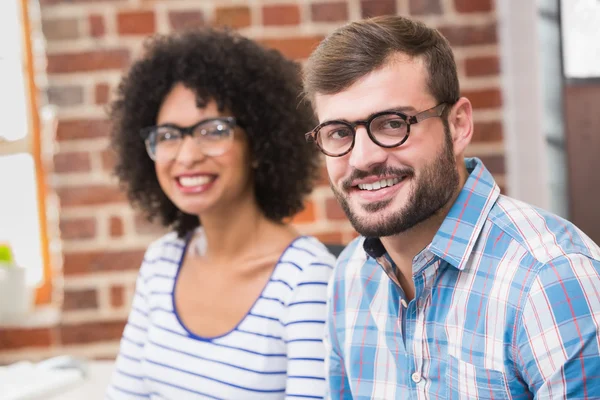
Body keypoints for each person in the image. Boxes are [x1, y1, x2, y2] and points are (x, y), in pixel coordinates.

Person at [303, 15, 600, 399]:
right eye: (339, 133)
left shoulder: (550, 277)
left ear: (458, 125)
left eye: (393, 124)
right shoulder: (350, 276)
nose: (362, 159)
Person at [105, 28, 335, 399]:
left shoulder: (306, 279)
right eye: (168, 135)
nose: (187, 155)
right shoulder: (161, 262)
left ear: (259, 145)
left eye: (213, 131)